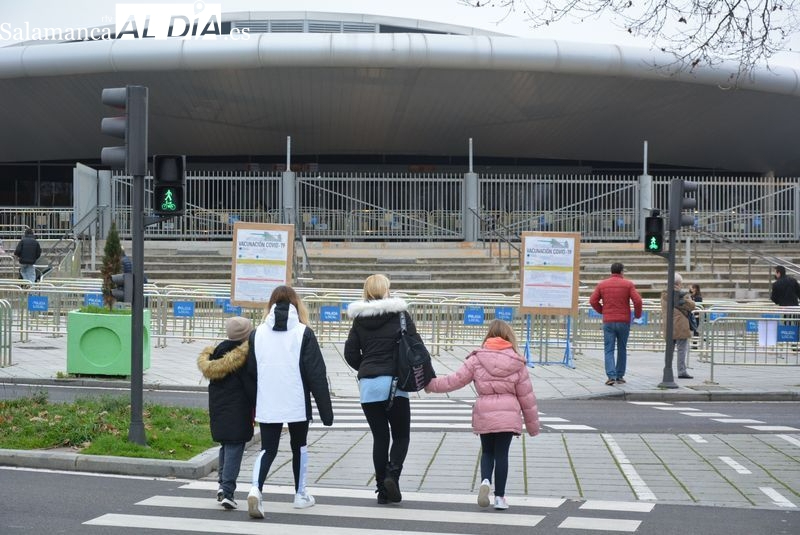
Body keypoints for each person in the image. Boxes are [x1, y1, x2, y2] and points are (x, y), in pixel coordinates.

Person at [425, 319, 539, 510]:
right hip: (508, 413)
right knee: (502, 454)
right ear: (509, 336)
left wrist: (429, 385)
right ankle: (500, 498)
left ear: (489, 336)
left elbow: (455, 380)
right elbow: (527, 397)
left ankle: (485, 481)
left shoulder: (477, 359)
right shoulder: (517, 361)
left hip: (484, 411)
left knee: (487, 452)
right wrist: (533, 427)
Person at [247, 285, 333, 519]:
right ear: (297, 304)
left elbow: (251, 373)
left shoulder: (257, 334)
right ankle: (300, 494)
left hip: (268, 399)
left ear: (271, 305)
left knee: (268, 449)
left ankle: (256, 488)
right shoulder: (303, 332)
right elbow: (316, 374)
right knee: (299, 446)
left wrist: (251, 404)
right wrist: (327, 413)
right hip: (296, 400)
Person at [344, 274, 426, 504]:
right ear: (386, 290)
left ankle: (382, 490)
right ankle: (393, 475)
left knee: (380, 437)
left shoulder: (359, 319)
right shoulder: (401, 315)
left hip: (369, 387)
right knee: (401, 436)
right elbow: (416, 346)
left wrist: (367, 368)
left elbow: (350, 353)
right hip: (395, 384)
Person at [196, 316, 257, 510]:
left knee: (225, 445)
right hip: (238, 410)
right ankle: (228, 491)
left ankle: (222, 486)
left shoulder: (216, 354)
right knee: (235, 447)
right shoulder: (243, 357)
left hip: (219, 409)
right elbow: (250, 386)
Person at [589, 262, 643, 385]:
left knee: (609, 349)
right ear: (622, 272)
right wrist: (637, 315)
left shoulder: (602, 285)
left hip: (608, 321)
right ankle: (619, 376)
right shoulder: (628, 284)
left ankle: (611, 376)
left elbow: (592, 300)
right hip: (623, 321)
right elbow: (638, 301)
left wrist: (602, 311)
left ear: (611, 272)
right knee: (622, 348)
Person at [661, 273, 696, 379]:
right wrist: (688, 298)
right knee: (681, 349)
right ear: (678, 283)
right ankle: (681, 371)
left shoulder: (664, 294)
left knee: (669, 350)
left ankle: (667, 369)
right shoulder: (682, 295)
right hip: (680, 325)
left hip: (669, 325)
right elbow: (691, 306)